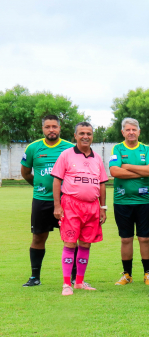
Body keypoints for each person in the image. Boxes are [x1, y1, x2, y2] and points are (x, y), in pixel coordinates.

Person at [50, 122, 108, 296]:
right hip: (71, 205)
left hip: (92, 207)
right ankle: (67, 284)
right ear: (75, 136)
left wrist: (103, 207)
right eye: (82, 133)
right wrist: (57, 205)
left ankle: (80, 282)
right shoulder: (66, 155)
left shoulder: (97, 158)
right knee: (70, 243)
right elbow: (56, 181)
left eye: (89, 133)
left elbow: (102, 184)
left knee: (85, 244)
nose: (85, 136)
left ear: (92, 136)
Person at [20, 115, 74, 287]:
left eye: (54, 126)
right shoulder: (33, 148)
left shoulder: (70, 148)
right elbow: (26, 172)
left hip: (66, 201)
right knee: (38, 237)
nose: (51, 130)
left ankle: (73, 278)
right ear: (42, 129)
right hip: (41, 200)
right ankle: (35, 277)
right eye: (48, 127)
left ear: (60, 128)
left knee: (71, 239)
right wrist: (38, 186)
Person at [108, 118, 149, 286]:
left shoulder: (146, 149)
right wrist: (141, 173)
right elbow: (114, 171)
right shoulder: (117, 148)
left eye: (133, 130)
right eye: (127, 130)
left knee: (144, 239)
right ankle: (127, 274)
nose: (131, 132)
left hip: (144, 201)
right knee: (126, 239)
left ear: (139, 132)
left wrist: (127, 166)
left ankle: (147, 274)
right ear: (123, 132)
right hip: (122, 201)